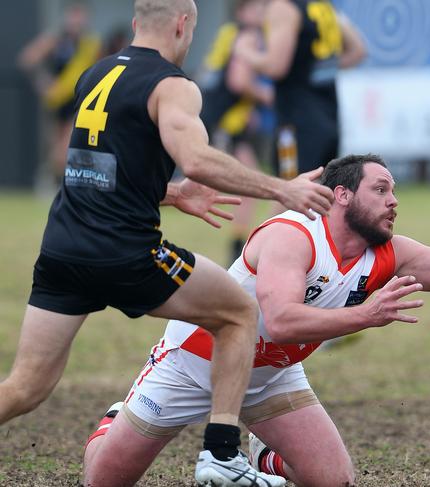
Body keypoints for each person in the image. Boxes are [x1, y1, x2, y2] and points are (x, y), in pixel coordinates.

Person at [81, 153, 430, 487]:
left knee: (334, 480)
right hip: (196, 363)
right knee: (103, 479)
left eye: (394, 190)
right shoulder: (293, 235)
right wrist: (366, 315)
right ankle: (115, 417)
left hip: (271, 376)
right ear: (341, 195)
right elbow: (283, 320)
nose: (394, 200)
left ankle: (265, 457)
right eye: (381, 189)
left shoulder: (386, 252)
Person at [0, 0, 335, 486]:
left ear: (137, 24)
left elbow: (95, 173)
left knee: (25, 386)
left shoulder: (95, 73)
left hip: (62, 251)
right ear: (183, 25)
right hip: (125, 254)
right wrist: (282, 189)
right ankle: (222, 455)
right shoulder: (173, 85)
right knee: (239, 313)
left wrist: (174, 194)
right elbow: (197, 158)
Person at [235, 0, 366, 180]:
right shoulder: (323, 8)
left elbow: (276, 67)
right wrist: (317, 67)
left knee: (289, 191)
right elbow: (357, 51)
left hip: (295, 123)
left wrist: (244, 51)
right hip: (328, 119)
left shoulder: (283, 7)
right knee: (316, 194)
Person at [199, 0, 274, 263]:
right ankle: (239, 252)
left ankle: (239, 249)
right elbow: (238, 80)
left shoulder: (229, 31)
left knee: (247, 183)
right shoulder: (249, 35)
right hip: (224, 122)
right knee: (246, 185)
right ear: (241, 11)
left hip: (217, 115)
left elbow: (218, 74)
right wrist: (267, 95)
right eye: (256, 8)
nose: (262, 12)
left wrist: (247, 109)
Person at [17, 0, 101, 184]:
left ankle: (66, 185)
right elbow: (28, 59)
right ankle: (55, 182)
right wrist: (43, 81)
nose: (77, 20)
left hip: (79, 102)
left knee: (67, 147)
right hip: (57, 102)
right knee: (56, 151)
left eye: (81, 16)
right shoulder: (56, 39)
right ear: (66, 17)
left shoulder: (90, 44)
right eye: (74, 15)